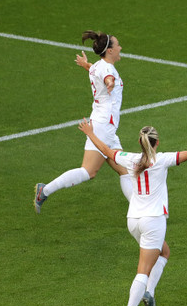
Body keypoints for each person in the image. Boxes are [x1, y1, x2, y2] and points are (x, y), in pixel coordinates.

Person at [78, 119, 187, 306]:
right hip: (153, 221)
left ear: (140, 143)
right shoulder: (161, 160)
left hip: (133, 220)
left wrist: (90, 133)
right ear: (157, 142)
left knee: (164, 251)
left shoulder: (130, 159)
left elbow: (105, 150)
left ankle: (149, 293)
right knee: (143, 270)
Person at [34, 30, 133, 213]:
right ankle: (45, 190)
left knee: (124, 171)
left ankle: (139, 209)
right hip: (103, 126)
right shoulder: (107, 69)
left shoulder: (97, 66)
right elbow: (107, 78)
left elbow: (94, 70)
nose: (120, 48)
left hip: (106, 126)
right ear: (109, 51)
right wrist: (110, 83)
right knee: (89, 171)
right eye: (117, 45)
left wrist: (85, 64)